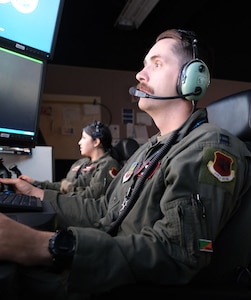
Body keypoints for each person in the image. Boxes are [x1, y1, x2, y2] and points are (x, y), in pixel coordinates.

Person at [0, 28, 250, 300]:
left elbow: (176, 253)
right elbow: (104, 210)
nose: (140, 75)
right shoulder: (148, 150)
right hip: (101, 269)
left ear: (192, 78)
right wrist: (37, 195)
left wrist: (41, 245)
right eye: (144, 65)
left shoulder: (207, 147)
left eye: (156, 64)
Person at [19, 120, 121, 199]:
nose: (79, 142)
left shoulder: (108, 164)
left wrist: (68, 188)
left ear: (96, 142)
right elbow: (62, 185)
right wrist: (35, 183)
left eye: (84, 138)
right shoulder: (81, 163)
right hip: (70, 201)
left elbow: (94, 195)